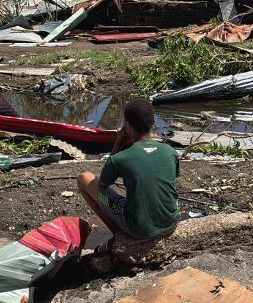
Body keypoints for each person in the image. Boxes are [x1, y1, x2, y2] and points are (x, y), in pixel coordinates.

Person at [77, 98, 180, 253]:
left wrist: (118, 141)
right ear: (152, 124)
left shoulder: (120, 158)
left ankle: (118, 234)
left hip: (139, 227)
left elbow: (103, 184)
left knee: (84, 179)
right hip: (171, 221)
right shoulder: (170, 152)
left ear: (127, 125)